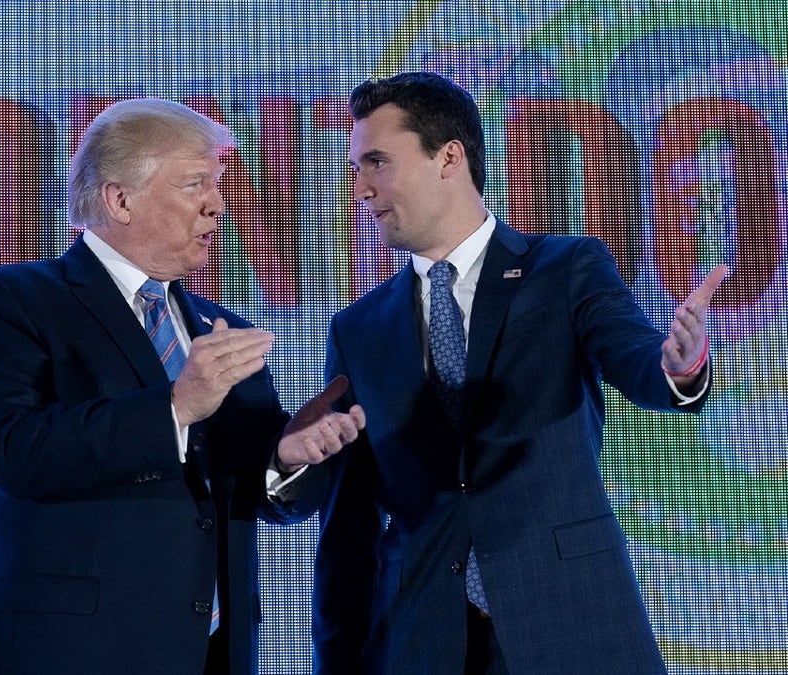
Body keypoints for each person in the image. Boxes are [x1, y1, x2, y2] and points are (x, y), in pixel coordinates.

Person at [308, 71, 728, 674]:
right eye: (355, 169)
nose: (360, 189)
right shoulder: (359, 329)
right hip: (423, 637)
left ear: (448, 157)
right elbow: (347, 532)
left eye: (376, 162)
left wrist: (679, 370)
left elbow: (634, 356)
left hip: (571, 622)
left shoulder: (566, 268)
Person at [0, 97, 365, 675]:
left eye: (217, 185)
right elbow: (12, 453)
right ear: (120, 199)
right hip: (67, 652)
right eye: (196, 185)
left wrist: (286, 457)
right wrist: (175, 407)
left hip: (212, 652)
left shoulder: (222, 330)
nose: (218, 205)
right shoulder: (14, 302)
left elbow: (248, 492)